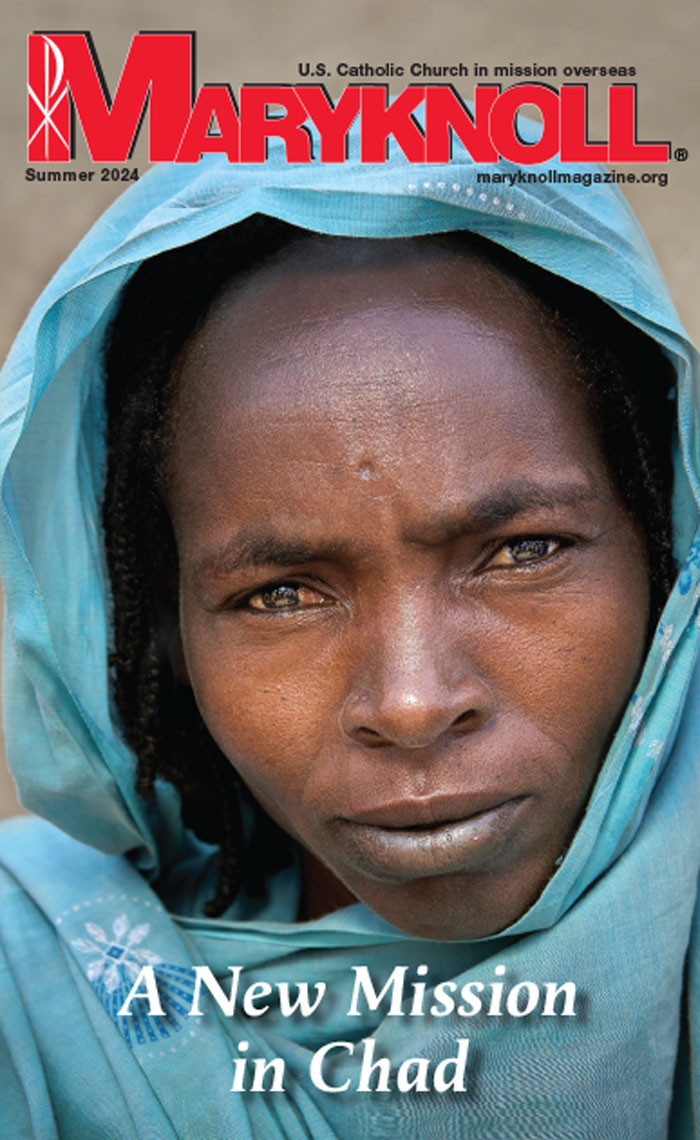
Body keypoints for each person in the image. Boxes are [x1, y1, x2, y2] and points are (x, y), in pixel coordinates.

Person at [0, 139, 698, 1138]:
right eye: (281, 595)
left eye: (520, 551)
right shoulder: (40, 991)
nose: (411, 703)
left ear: (663, 551)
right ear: (164, 631)